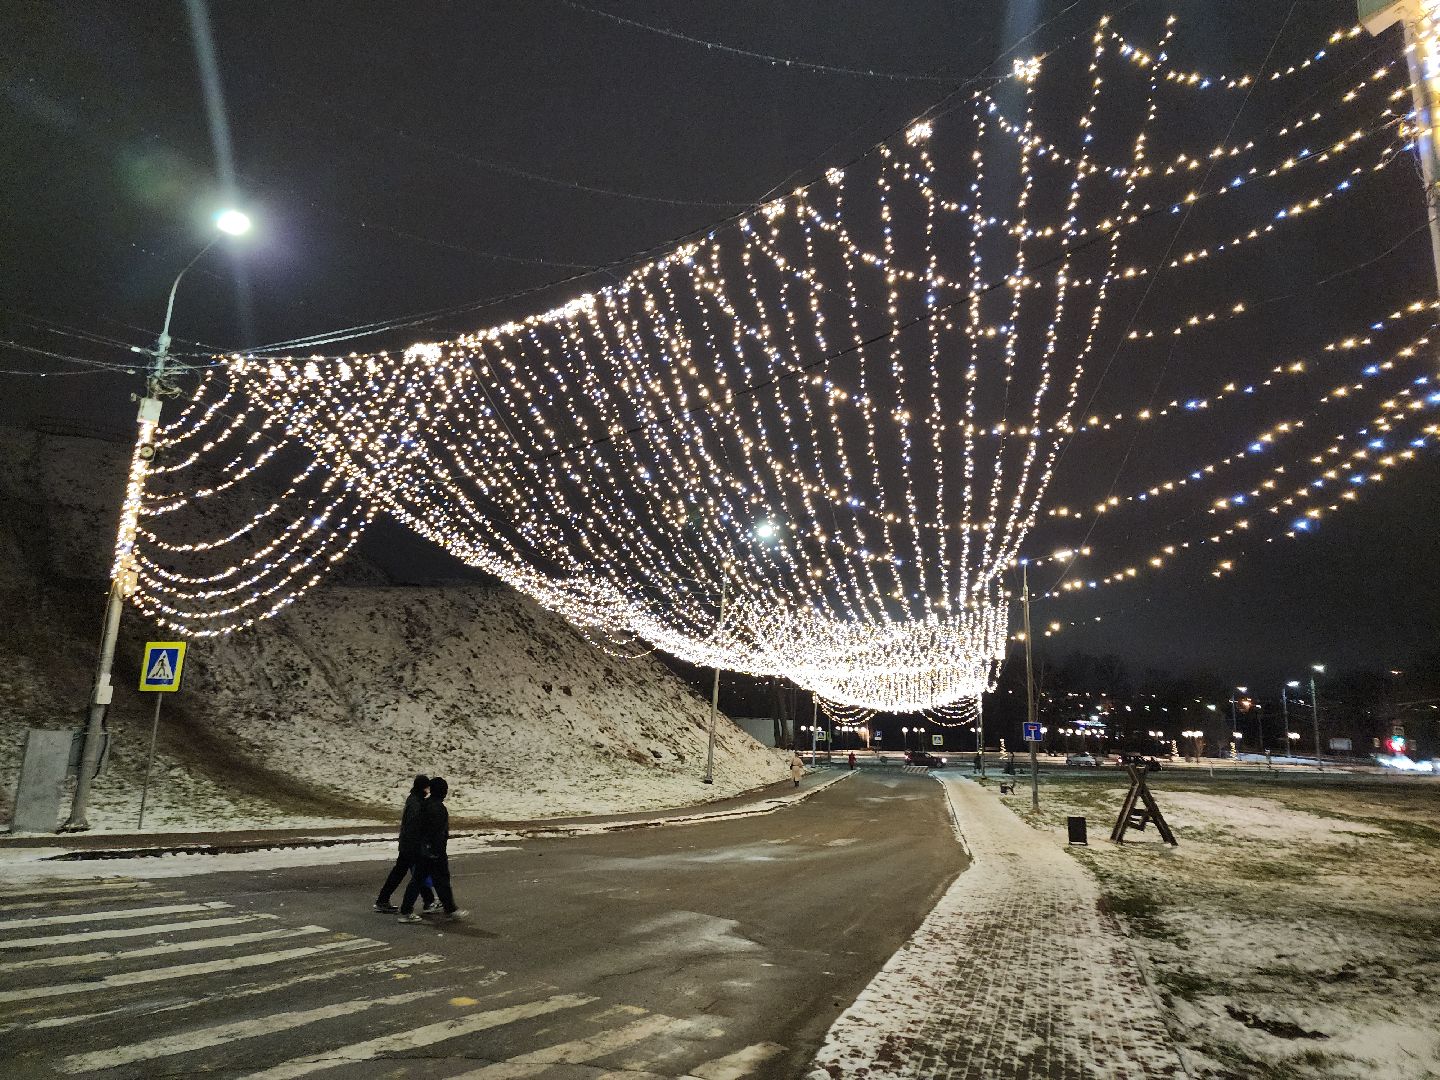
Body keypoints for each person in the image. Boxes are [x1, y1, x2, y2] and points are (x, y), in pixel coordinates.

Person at [399, 775, 467, 923]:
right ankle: (449, 909)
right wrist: (435, 851)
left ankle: (408, 910)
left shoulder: (426, 804)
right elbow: (436, 832)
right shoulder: (437, 808)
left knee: (420, 880)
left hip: (424, 850)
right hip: (433, 852)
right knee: (439, 880)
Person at [374, 774, 436, 914]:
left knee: (403, 873)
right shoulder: (416, 803)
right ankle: (428, 902)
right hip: (412, 845)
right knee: (418, 873)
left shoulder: (414, 799)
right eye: (427, 787)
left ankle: (383, 900)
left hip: (408, 844)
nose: (428, 790)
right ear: (424, 787)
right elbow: (414, 825)